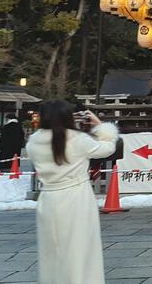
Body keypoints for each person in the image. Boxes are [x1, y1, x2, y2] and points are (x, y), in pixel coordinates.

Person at [25, 100, 119, 284]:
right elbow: (108, 148)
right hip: (76, 197)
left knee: (52, 251)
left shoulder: (33, 142)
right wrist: (100, 125)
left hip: (49, 198)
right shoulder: (78, 140)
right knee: (80, 249)